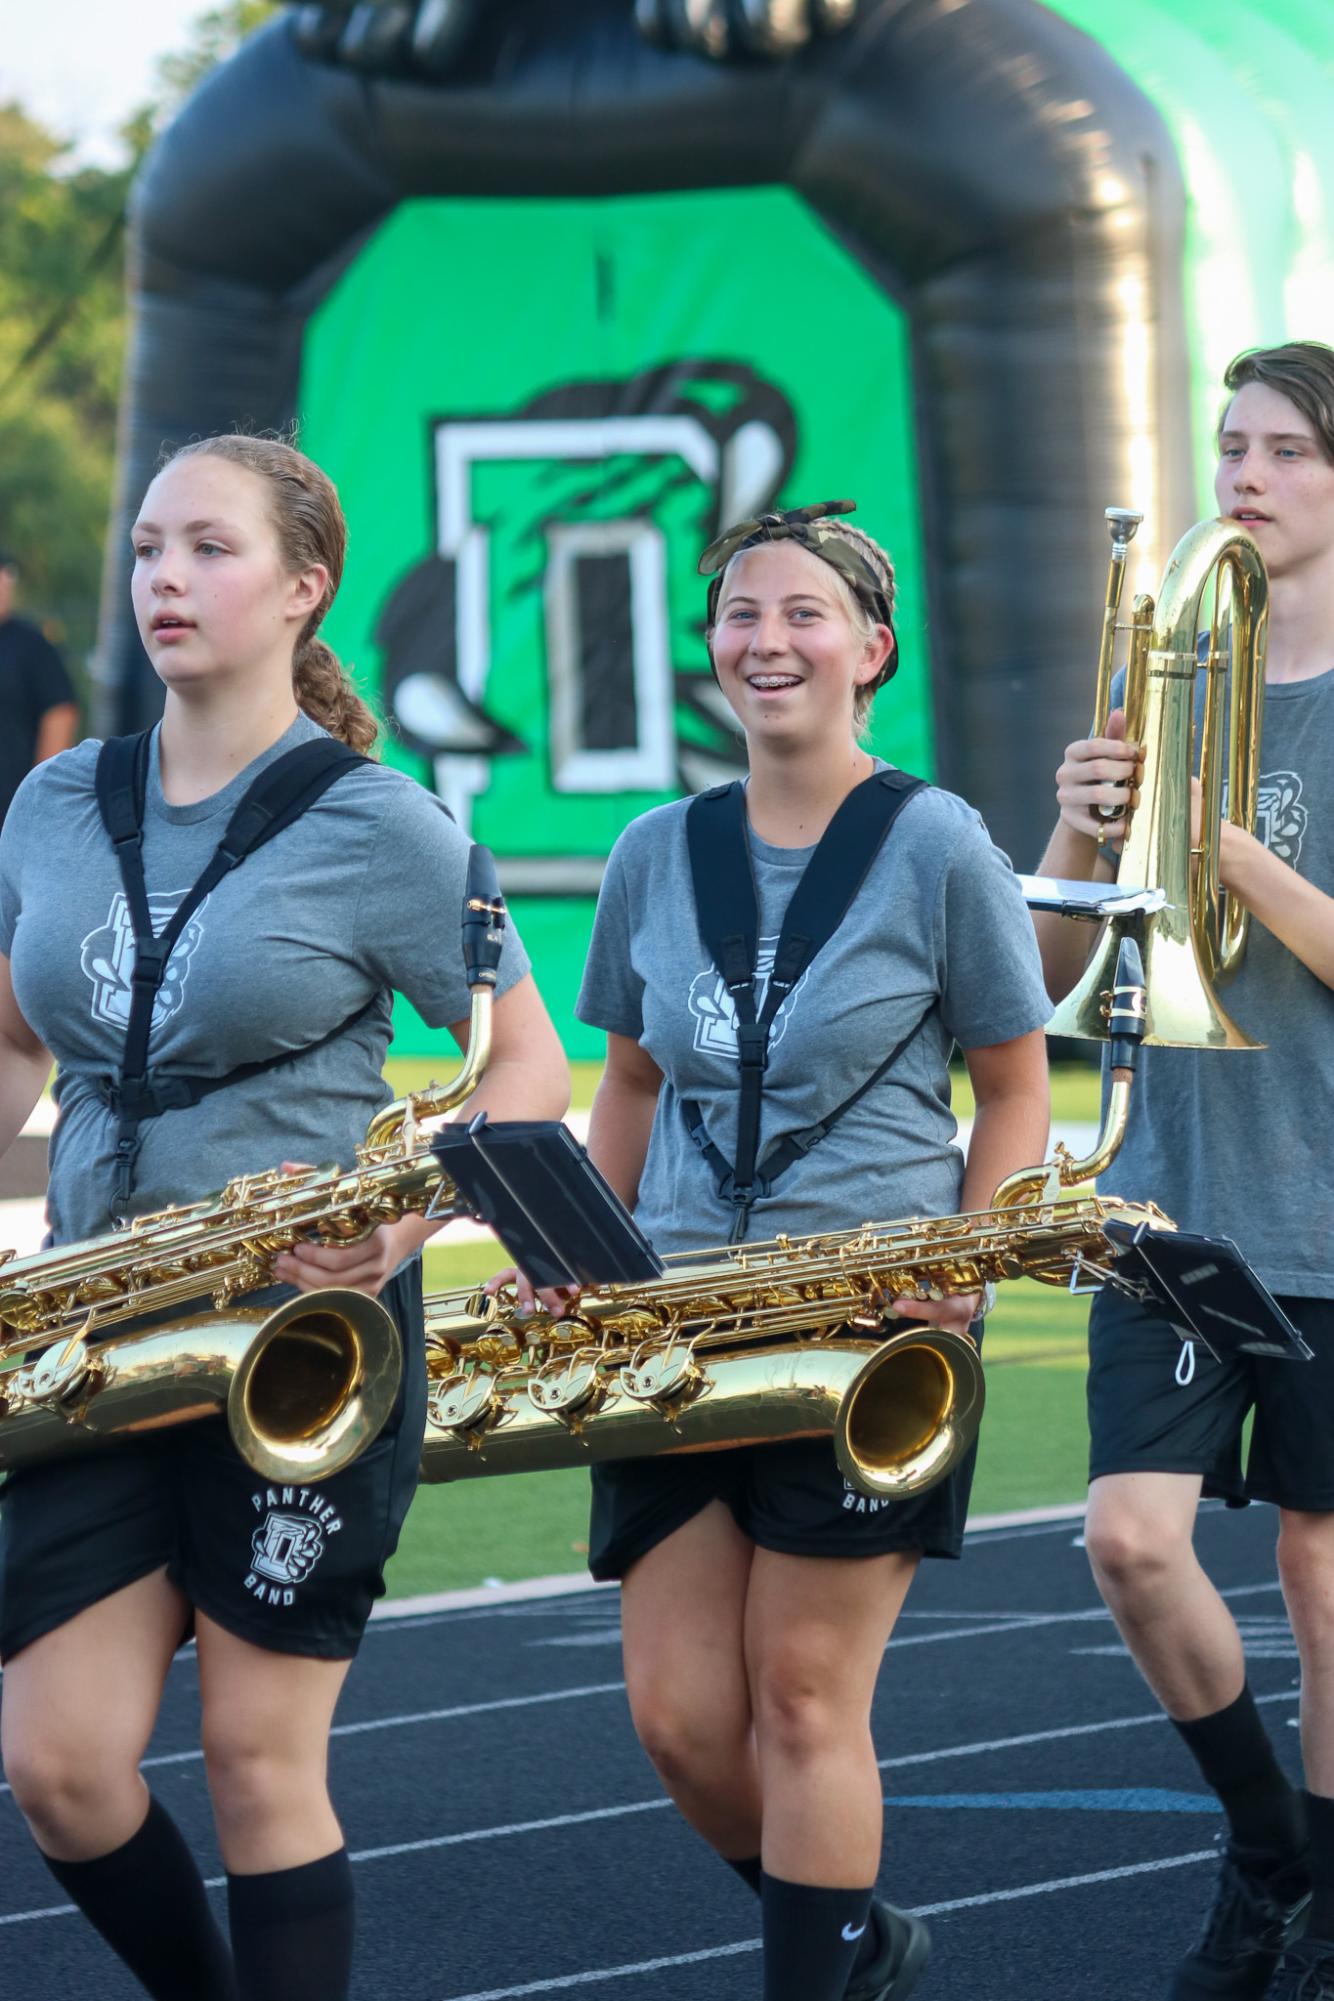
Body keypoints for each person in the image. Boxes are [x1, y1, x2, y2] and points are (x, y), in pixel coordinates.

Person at [0, 433, 569, 2001]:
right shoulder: (54, 801)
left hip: (297, 1338)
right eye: (148, 550)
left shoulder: (382, 824)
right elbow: (11, 1034)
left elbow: (521, 1056)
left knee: (257, 1760)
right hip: (95, 1329)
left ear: (305, 587)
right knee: (58, 1760)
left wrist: (399, 1237)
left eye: (210, 550)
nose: (165, 580)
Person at [567, 501, 1051, 2001]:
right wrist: (571, 1253)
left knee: (797, 1691)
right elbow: (631, 1084)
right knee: (678, 1720)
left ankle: (813, 1975)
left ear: (868, 650)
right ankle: (855, 1941)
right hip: (674, 1330)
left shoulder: (937, 842)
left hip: (867, 1334)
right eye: (738, 616)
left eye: (800, 615)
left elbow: (1016, 1083)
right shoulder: (655, 849)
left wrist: (964, 1263)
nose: (764, 641)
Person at [1032, 339, 1334, 2001]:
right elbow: (1041, 950)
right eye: (1229, 444)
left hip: (1323, 1190)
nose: (1241, 474)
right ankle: (1263, 1843)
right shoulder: (1176, 671)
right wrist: (1082, 824)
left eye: (1282, 448)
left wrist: (1226, 853)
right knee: (1128, 1539)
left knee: (1317, 1565)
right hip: (1164, 1188)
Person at [0, 547, 79, 827]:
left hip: (10, 814)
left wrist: (40, 797)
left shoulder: (30, 645)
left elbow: (60, 713)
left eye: (8, 575)